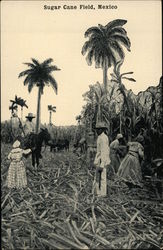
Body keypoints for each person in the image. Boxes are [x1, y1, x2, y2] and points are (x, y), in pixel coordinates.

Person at [94, 122, 111, 197]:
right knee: (98, 177)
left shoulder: (103, 138)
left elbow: (104, 151)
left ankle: (102, 193)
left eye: (98, 129)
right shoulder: (100, 137)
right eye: (96, 130)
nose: (96, 131)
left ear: (102, 130)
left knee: (102, 177)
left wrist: (102, 163)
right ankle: (97, 192)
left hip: (102, 160)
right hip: (99, 159)